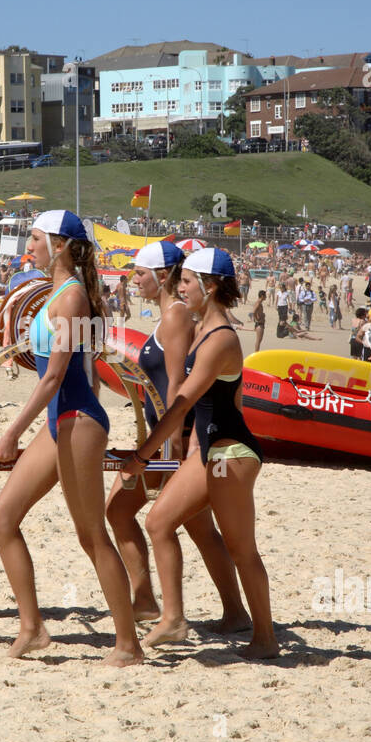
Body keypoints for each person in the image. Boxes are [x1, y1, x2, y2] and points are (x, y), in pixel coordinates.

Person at [0, 210, 144, 665]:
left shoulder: (71, 297)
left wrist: (12, 432)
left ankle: (129, 645)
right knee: (1, 519)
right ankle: (32, 628)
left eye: (34, 238)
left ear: (58, 246)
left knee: (91, 534)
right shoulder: (61, 292)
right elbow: (85, 369)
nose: (27, 245)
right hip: (65, 421)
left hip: (75, 419)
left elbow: (56, 375)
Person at [123, 248, 277, 660]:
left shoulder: (221, 338)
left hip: (232, 453)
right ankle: (174, 618)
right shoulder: (204, 331)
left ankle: (265, 637)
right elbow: (230, 399)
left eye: (187, 281)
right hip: (211, 449)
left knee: (242, 549)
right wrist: (191, 447)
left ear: (210, 287)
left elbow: (183, 403)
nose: (181, 287)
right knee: (159, 522)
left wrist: (143, 454)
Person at [106, 240, 250, 632]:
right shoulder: (171, 316)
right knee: (200, 529)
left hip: (177, 437)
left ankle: (150, 604)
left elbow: (175, 388)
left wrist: (169, 451)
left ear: (162, 275)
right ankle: (233, 612)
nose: (133, 279)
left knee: (122, 510)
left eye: (140, 272)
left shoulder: (174, 318)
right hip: (175, 435)